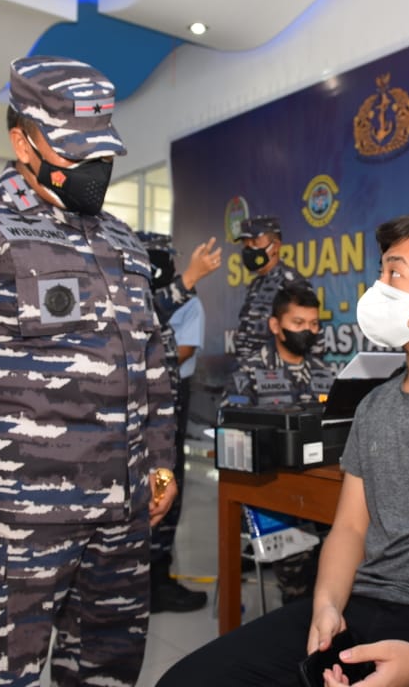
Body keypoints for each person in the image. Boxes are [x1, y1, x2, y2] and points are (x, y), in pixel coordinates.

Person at [160, 214, 409, 687]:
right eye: (380, 272)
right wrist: (326, 607)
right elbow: (350, 527)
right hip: (364, 604)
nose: (377, 288)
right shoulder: (373, 405)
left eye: (394, 273)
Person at [0, 56, 177, 686]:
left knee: (107, 673)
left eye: (101, 150)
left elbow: (152, 362)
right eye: (74, 150)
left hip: (120, 518)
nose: (93, 167)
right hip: (11, 523)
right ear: (22, 141)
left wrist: (160, 461)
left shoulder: (123, 242)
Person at [223, 284, 336, 605]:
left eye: (313, 324)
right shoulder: (249, 371)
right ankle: (300, 620)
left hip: (318, 485)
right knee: (301, 572)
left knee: (349, 547)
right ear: (275, 325)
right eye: (298, 323)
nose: (307, 331)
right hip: (266, 491)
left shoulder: (324, 372)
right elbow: (231, 433)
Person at [139, 230, 221, 612]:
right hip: (136, 412)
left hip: (170, 408)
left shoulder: (185, 300)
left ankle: (158, 575)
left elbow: (181, 349)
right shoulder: (127, 295)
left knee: (166, 482)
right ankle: (141, 578)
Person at [232, 214, 313, 362]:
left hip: (278, 373)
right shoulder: (255, 284)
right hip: (250, 369)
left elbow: (306, 338)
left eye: (254, 242)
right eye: (245, 243)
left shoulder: (292, 283)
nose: (248, 248)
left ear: (275, 246)